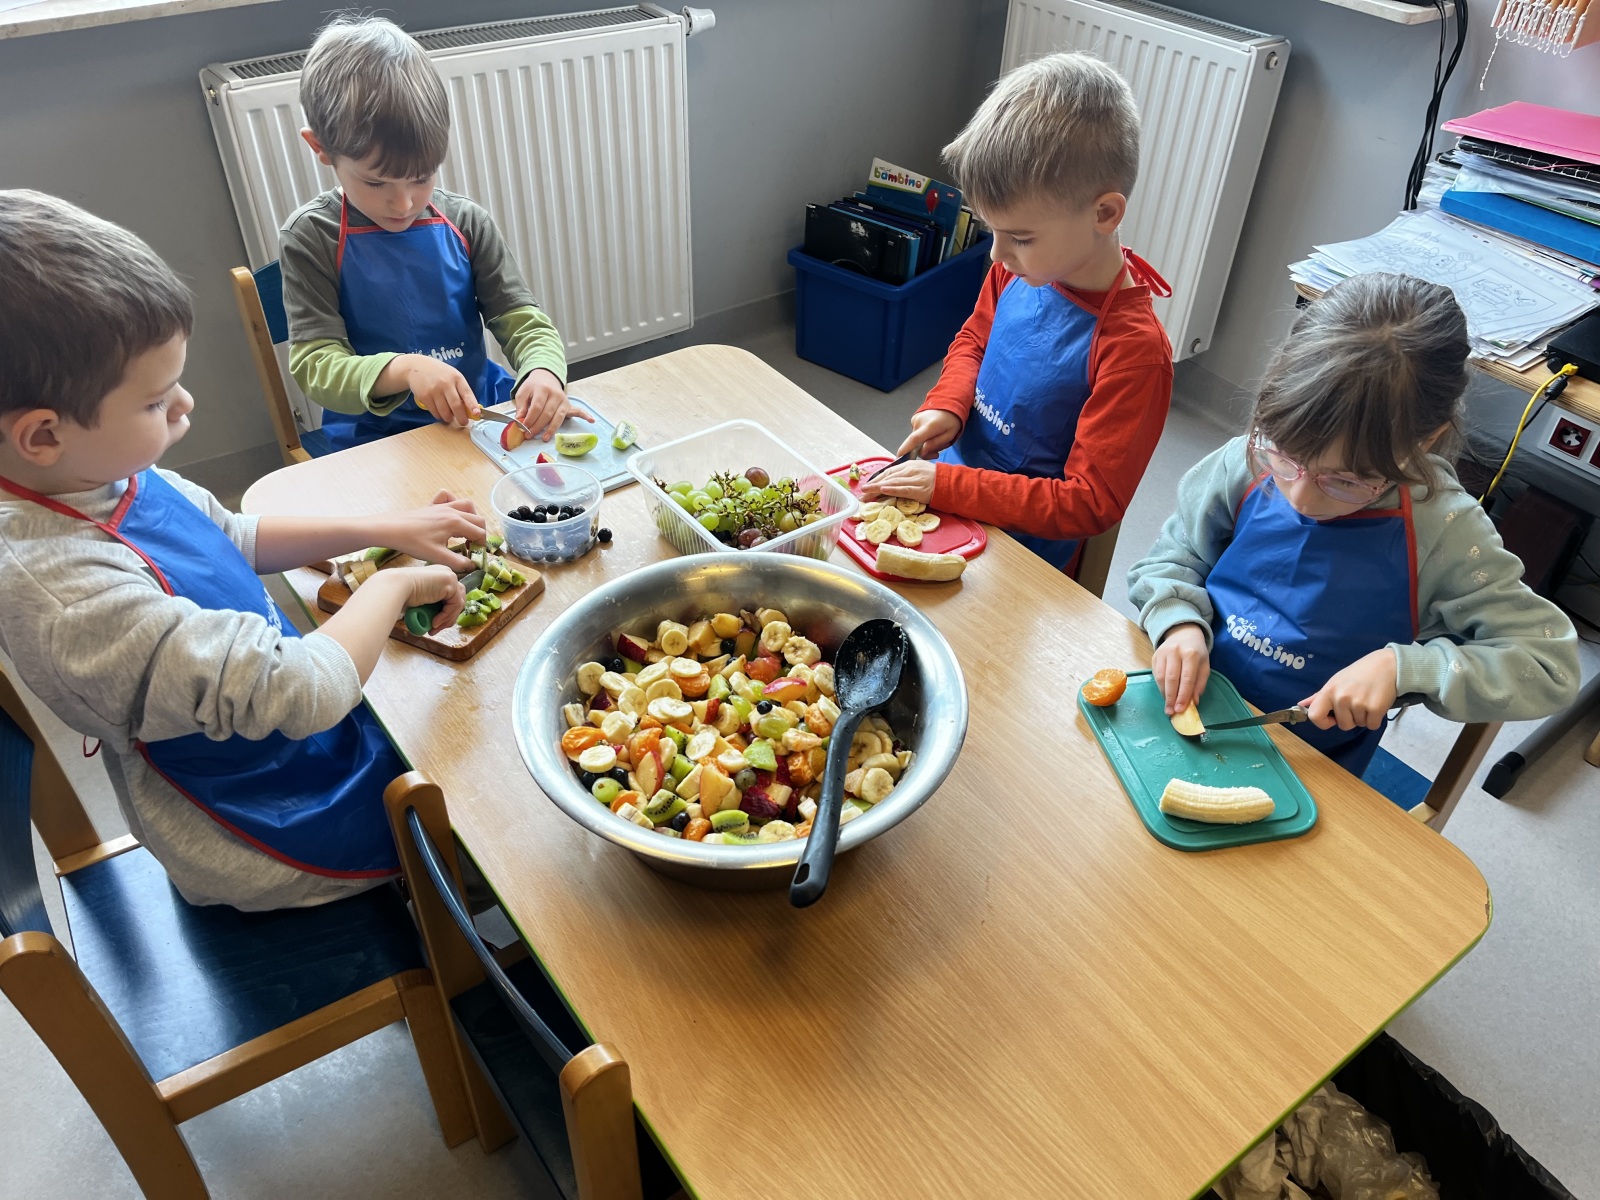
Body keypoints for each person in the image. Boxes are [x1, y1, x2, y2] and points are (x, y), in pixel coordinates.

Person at [0, 189, 481, 909]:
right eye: (156, 402)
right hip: (262, 834)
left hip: (292, 736)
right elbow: (306, 690)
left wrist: (384, 528)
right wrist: (391, 585)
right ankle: (464, 945)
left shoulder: (91, 472)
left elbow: (232, 537)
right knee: (489, 809)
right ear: (43, 434)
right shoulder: (66, 597)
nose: (186, 405)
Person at [1127, 272, 1580, 776]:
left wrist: (1405, 668)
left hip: (1313, 766)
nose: (1301, 497)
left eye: (1345, 480)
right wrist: (1178, 621)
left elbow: (1549, 667)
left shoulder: (1446, 532)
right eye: (1286, 456)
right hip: (1187, 705)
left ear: (1425, 439)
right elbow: (1173, 557)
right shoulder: (1246, 460)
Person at [865, 51, 1173, 574]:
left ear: (1104, 213)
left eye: (1021, 237)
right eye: (992, 231)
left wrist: (948, 485)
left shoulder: (1134, 352)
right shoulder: (1018, 268)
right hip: (947, 505)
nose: (996, 254)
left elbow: (1088, 503)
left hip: (1025, 562)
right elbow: (974, 340)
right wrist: (949, 404)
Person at [280, 14, 584, 451]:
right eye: (376, 183)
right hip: (373, 437)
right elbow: (316, 366)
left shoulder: (467, 221)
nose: (403, 203)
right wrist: (405, 370)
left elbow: (522, 320)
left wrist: (543, 369)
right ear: (320, 148)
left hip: (480, 411)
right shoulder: (312, 237)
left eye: (421, 178)